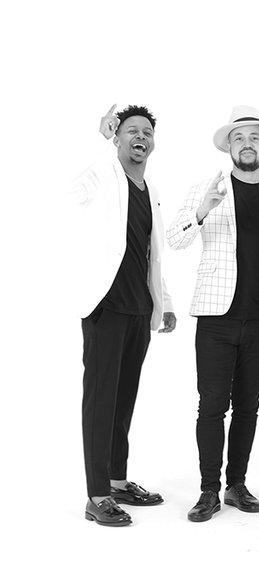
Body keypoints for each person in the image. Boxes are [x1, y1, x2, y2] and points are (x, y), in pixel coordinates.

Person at [167, 105, 259, 522]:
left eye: (255, 138)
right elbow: (174, 239)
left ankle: (236, 485)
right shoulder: (207, 188)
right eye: (239, 138)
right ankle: (209, 490)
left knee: (248, 405)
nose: (247, 144)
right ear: (229, 146)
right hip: (216, 317)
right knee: (211, 405)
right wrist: (201, 212)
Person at [69, 104, 176, 526]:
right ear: (117, 138)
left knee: (123, 400)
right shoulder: (104, 177)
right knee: (100, 402)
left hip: (139, 310)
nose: (141, 137)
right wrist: (100, 146)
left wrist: (164, 301)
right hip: (107, 307)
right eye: (132, 130)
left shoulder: (150, 189)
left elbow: (152, 253)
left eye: (147, 132)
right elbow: (73, 193)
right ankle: (96, 496)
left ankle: (116, 482)